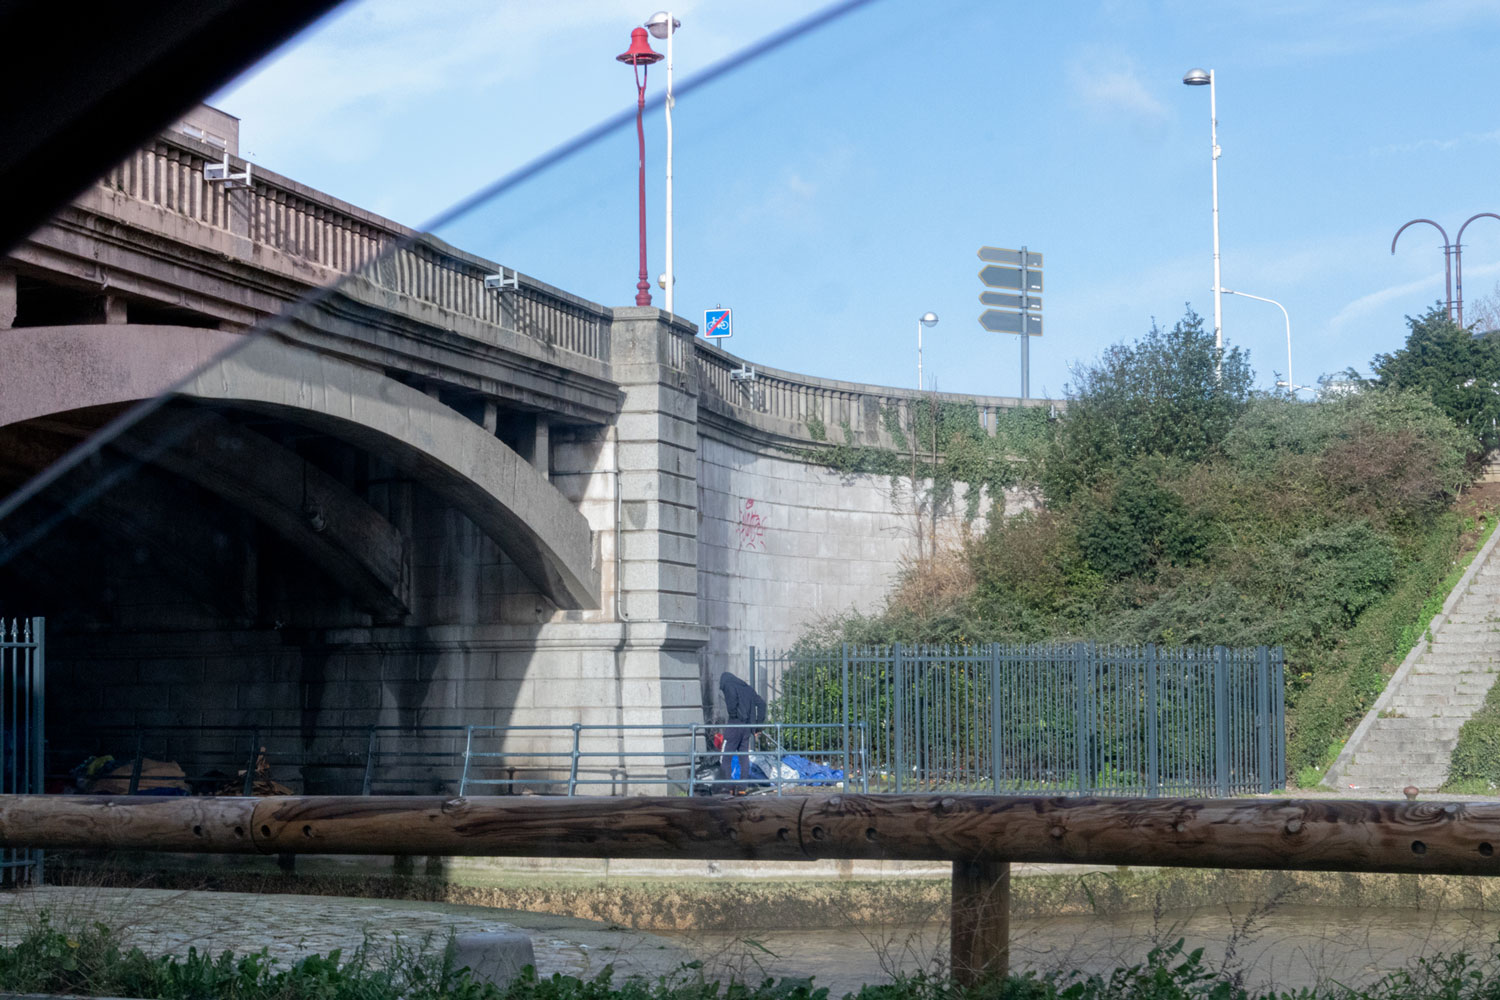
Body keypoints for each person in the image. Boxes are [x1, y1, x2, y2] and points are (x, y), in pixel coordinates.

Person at [718, 671, 766, 787]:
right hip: (747, 727)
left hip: (734, 724)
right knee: (744, 757)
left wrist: (733, 714)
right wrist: (758, 726)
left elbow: (732, 702)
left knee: (726, 757)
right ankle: (743, 787)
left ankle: (726, 787)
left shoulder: (729, 685)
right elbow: (762, 704)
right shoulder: (748, 688)